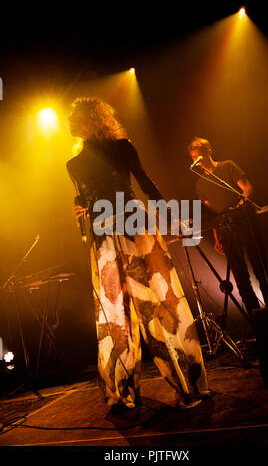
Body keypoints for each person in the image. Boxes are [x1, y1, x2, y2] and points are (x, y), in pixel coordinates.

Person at [66, 98, 209, 414]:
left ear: (89, 120)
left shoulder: (117, 149)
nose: (68, 124)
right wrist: (81, 218)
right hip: (115, 229)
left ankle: (135, 391)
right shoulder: (77, 162)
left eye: (73, 118)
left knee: (144, 307)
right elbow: (84, 199)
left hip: (123, 227)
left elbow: (145, 185)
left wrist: (171, 220)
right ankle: (145, 390)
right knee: (135, 308)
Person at [187, 136, 268, 319]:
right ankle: (256, 320)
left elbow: (248, 188)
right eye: (194, 158)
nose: (197, 161)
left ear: (209, 152)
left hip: (245, 223)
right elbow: (211, 214)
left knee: (260, 269)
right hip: (225, 231)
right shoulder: (200, 184)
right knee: (240, 278)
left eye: (199, 156)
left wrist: (242, 203)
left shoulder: (227, 166)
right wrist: (217, 236)